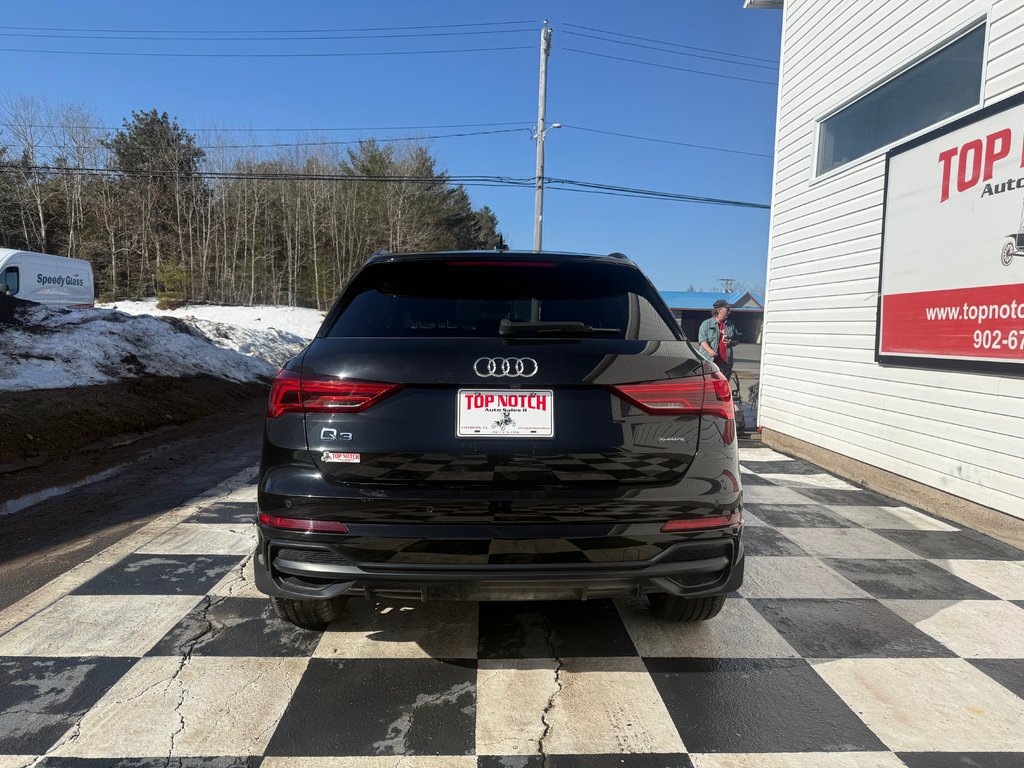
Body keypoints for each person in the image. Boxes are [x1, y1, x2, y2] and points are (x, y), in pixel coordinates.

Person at [697, 299, 739, 378]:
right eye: (727, 310)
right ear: (720, 310)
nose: (729, 312)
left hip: (725, 364)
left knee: (722, 386)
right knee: (708, 384)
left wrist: (731, 342)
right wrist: (710, 351)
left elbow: (737, 340)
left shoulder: (730, 325)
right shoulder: (706, 324)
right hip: (709, 362)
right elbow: (702, 340)